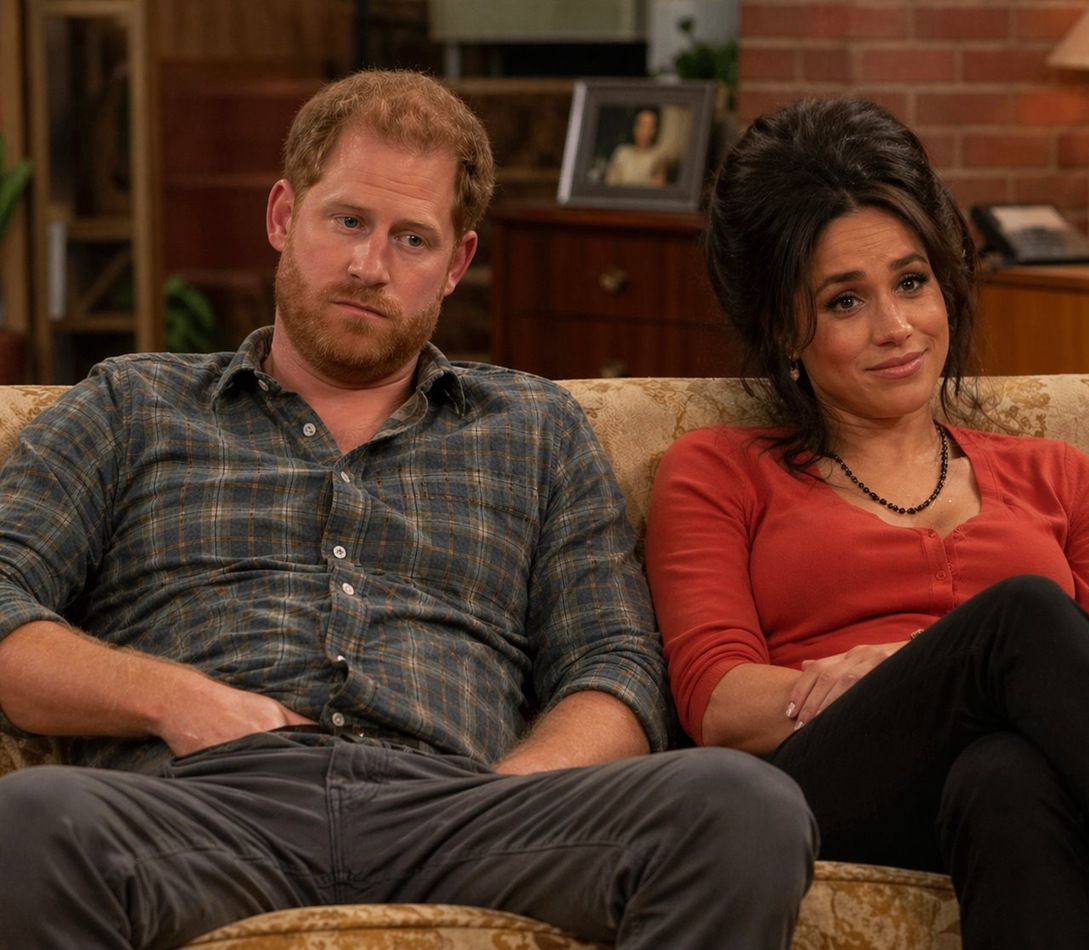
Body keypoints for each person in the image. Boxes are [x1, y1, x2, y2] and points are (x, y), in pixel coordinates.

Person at [0, 69, 815, 949]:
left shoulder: (535, 430)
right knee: (28, 820)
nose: (369, 266)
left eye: (412, 238)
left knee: (743, 806)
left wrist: (516, 791)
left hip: (463, 811)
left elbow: (615, 665)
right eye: (347, 221)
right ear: (283, 215)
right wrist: (174, 699)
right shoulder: (133, 405)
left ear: (456, 264)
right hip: (201, 807)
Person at [645, 95, 1089, 949]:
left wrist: (935, 668)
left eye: (911, 283)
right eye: (845, 302)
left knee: (1006, 776)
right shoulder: (718, 469)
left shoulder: (1059, 475)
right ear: (781, 328)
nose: (896, 328)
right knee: (1023, 614)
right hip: (831, 783)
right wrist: (922, 675)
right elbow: (718, 701)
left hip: (1020, 786)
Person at [604, 108, 667, 187]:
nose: (646, 131)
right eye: (643, 126)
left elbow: (658, 186)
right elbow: (610, 182)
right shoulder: (621, 153)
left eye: (650, 127)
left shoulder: (658, 156)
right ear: (635, 128)